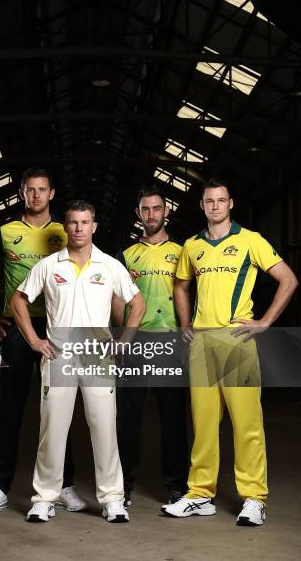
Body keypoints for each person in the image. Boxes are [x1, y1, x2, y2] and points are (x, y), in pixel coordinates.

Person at [162, 178, 298, 526]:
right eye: (209, 201)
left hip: (237, 341)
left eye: (221, 200)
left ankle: (254, 498)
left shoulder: (250, 239)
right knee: (204, 424)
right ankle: (200, 494)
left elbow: (289, 279)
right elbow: (181, 286)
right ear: (202, 205)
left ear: (230, 203)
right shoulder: (192, 246)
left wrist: (265, 321)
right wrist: (184, 325)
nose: (216, 206)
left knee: (246, 424)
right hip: (202, 343)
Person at [10, 200, 146, 523]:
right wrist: (34, 340)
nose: (79, 228)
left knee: (104, 428)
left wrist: (123, 341)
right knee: (53, 428)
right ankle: (44, 498)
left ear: (94, 227)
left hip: (98, 356)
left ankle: (113, 499)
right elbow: (18, 300)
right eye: (73, 222)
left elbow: (137, 304)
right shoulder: (49, 265)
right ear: (65, 226)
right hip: (60, 355)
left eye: (85, 222)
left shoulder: (110, 265)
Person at [0, 168, 86, 513]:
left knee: (60, 411)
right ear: (22, 193)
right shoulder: (5, 230)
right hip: (16, 330)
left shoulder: (66, 230)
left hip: (58, 329)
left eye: (42, 189)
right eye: (30, 190)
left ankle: (65, 485)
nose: (36, 195)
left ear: (52, 194)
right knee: (10, 409)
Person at [112, 187, 188, 508]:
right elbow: (118, 299)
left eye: (157, 209)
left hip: (170, 341)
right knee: (128, 418)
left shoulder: (183, 251)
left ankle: (176, 486)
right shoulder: (127, 255)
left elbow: (188, 291)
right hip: (136, 343)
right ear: (138, 213)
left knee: (173, 417)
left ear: (166, 211)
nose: (151, 215)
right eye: (145, 209)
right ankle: (123, 486)